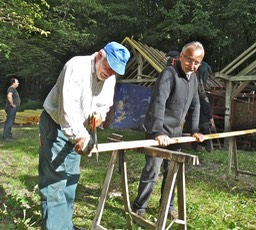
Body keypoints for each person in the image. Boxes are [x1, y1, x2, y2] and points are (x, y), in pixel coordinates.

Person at [38, 41, 130, 230]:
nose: (109, 73)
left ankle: (64, 225)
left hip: (79, 130)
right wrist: (80, 136)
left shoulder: (109, 77)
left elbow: (105, 104)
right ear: (99, 55)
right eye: (108, 67)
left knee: (71, 178)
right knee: (55, 181)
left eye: (114, 71)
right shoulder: (75, 67)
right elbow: (67, 111)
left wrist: (99, 115)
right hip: (56, 125)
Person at [132, 41, 205, 219]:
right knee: (152, 170)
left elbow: (195, 106)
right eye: (189, 60)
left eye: (196, 62)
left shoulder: (193, 79)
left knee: (172, 171)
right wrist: (158, 132)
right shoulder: (168, 74)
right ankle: (139, 207)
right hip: (157, 131)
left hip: (175, 134)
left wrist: (194, 129)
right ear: (181, 56)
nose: (192, 65)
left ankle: (168, 206)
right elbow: (159, 102)